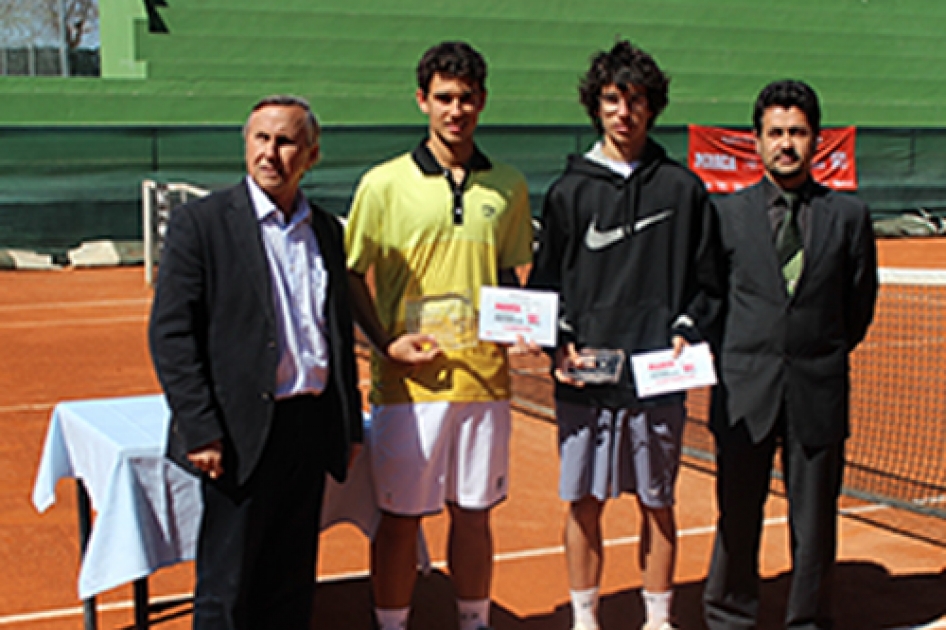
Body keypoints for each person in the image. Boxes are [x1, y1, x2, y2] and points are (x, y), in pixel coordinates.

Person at [149, 95, 363, 629]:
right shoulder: (201, 224)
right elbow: (172, 334)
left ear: (311, 154)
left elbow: (335, 334)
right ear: (245, 144)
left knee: (290, 582)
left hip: (308, 429)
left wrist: (348, 424)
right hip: (238, 434)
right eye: (260, 138)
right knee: (227, 587)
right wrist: (201, 428)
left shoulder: (328, 231)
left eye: (286, 141)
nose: (271, 153)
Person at [527, 40, 718, 630]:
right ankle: (586, 619)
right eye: (612, 99)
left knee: (658, 504)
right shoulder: (569, 191)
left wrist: (689, 329)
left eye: (635, 100)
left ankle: (656, 620)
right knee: (583, 504)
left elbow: (708, 281)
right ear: (597, 106)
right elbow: (546, 282)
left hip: (658, 377)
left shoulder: (683, 190)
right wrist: (557, 343)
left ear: (651, 107)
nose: (624, 112)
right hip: (587, 380)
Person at [345, 41, 533, 630]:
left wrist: (517, 325)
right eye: (445, 97)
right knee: (400, 520)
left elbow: (506, 274)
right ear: (423, 100)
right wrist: (384, 345)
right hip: (409, 388)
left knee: (475, 514)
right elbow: (350, 275)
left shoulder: (507, 186)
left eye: (468, 98)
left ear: (483, 102)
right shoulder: (382, 184)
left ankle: (474, 624)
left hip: (485, 384)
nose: (457, 109)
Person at [702, 80, 878, 629]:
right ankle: (730, 615)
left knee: (815, 523)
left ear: (816, 141)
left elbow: (859, 304)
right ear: (755, 142)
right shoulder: (726, 215)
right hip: (742, 391)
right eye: (775, 132)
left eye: (797, 132)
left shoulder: (849, 216)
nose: (786, 143)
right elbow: (711, 296)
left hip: (817, 390)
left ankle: (807, 621)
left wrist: (814, 351)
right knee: (737, 517)